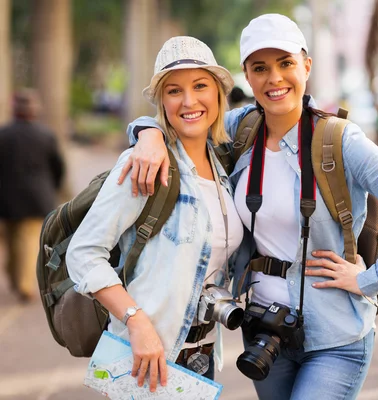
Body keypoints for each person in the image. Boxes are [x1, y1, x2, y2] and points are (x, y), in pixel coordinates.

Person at [119, 14, 378, 400]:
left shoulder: (340, 141)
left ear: (306, 65)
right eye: (260, 68)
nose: (274, 78)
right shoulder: (241, 129)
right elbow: (182, 118)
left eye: (285, 63)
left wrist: (370, 280)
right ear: (246, 76)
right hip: (263, 331)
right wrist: (148, 133)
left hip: (336, 335)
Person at [66, 36, 244, 392]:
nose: (189, 101)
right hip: (147, 358)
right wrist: (136, 321)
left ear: (218, 95)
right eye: (174, 90)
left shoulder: (223, 164)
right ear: (162, 101)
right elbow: (83, 253)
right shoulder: (144, 165)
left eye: (200, 86)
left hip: (200, 357)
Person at [0, 89, 64, 303]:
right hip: (37, 197)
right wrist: (52, 187)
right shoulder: (46, 135)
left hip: (7, 199)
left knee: (12, 241)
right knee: (28, 241)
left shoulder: (3, 134)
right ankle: (24, 282)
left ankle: (18, 279)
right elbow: (58, 167)